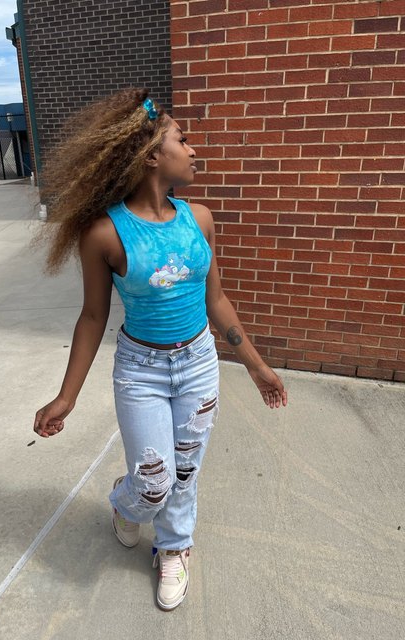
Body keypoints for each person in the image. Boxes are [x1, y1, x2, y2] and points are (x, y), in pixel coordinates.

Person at [33, 87, 287, 611]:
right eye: (182, 139)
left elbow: (216, 301)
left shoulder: (200, 219)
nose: (193, 150)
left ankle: (173, 547)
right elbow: (92, 317)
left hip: (198, 363)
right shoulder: (105, 233)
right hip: (140, 371)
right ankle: (126, 504)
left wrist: (257, 367)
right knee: (153, 483)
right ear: (151, 156)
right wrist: (66, 397)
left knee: (185, 472)